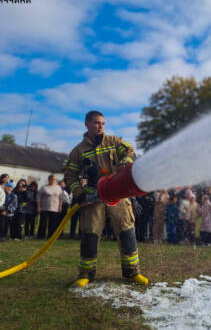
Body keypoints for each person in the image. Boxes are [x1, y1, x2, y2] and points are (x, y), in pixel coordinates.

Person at [64, 110, 148, 287]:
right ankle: (85, 274)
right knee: (90, 232)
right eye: (96, 123)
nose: (100, 126)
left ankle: (133, 272)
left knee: (126, 230)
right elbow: (70, 175)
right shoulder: (78, 151)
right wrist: (80, 194)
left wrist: (125, 159)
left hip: (117, 193)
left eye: (102, 123)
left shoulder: (114, 141)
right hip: (92, 196)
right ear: (87, 124)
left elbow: (128, 149)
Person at [37, 175, 63, 239]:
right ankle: (41, 236)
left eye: (54, 179)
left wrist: (60, 207)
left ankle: (51, 236)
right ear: (49, 180)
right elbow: (38, 197)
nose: (53, 180)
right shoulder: (44, 187)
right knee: (43, 223)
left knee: (53, 223)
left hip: (55, 208)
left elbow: (61, 198)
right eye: (51, 179)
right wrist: (38, 207)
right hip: (45, 208)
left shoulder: (58, 188)